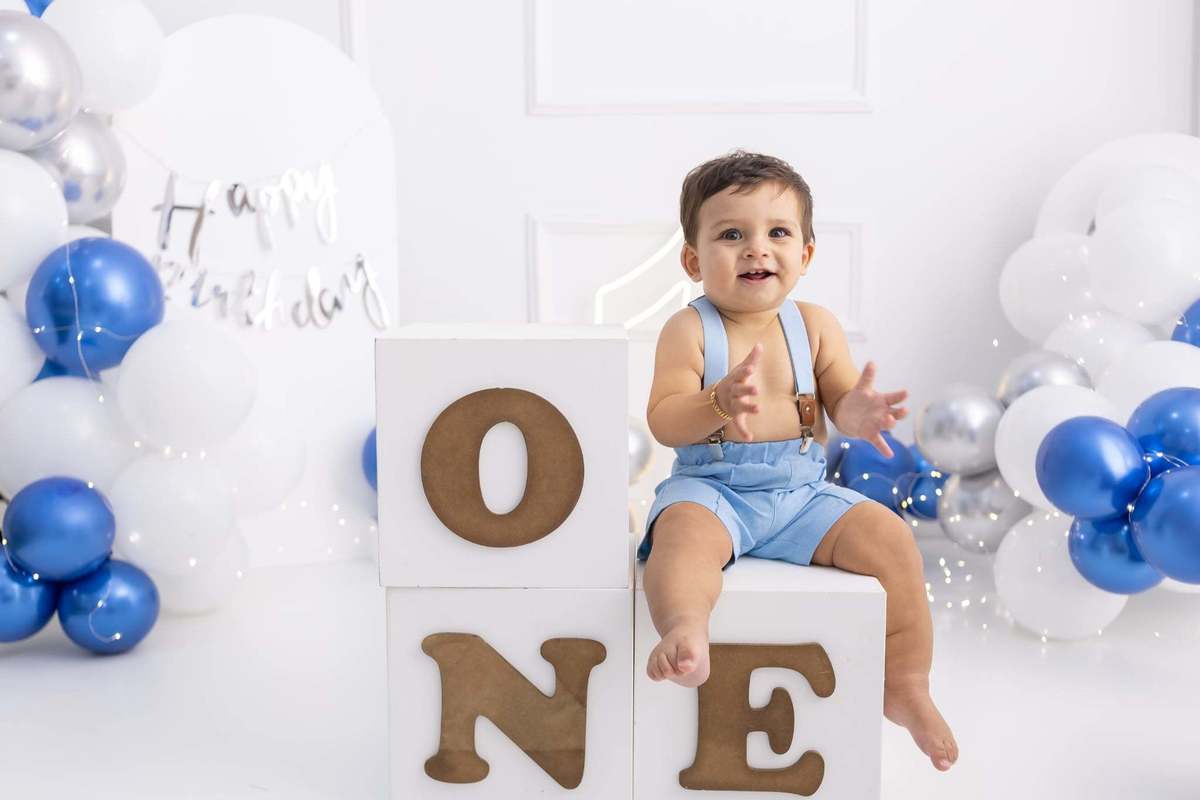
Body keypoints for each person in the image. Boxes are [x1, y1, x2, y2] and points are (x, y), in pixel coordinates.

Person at [638, 150, 959, 772]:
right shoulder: (688, 330)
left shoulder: (813, 326)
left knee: (892, 539)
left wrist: (858, 412)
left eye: (777, 232)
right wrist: (716, 401)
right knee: (679, 542)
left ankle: (906, 680)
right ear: (693, 259)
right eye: (732, 234)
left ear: (805, 254)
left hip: (802, 496)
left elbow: (838, 396)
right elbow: (663, 418)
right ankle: (684, 630)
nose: (756, 249)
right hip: (714, 492)